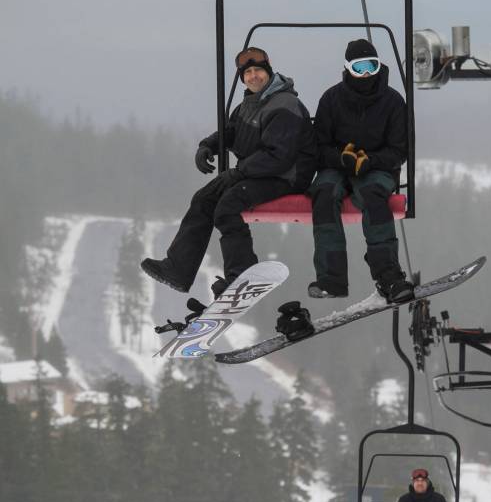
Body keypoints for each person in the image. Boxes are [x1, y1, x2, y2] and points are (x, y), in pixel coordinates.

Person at [141, 47, 316, 297]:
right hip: (257, 173)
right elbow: (232, 132)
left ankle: (242, 275)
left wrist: (238, 172)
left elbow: (278, 157)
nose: (253, 76)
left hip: (287, 176)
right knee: (204, 199)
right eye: (248, 73)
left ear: (269, 72)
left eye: (258, 71)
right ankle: (178, 268)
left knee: (227, 207)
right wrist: (208, 145)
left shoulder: (285, 104)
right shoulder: (249, 103)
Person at [308, 38, 413, 304]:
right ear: (348, 69)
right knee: (323, 193)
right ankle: (331, 278)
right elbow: (317, 146)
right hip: (338, 167)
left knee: (373, 195)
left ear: (379, 67)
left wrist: (371, 161)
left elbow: (400, 149)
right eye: (359, 67)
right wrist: (340, 158)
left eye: (371, 66)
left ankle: (389, 275)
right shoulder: (331, 99)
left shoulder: (392, 102)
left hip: (377, 168)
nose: (366, 74)